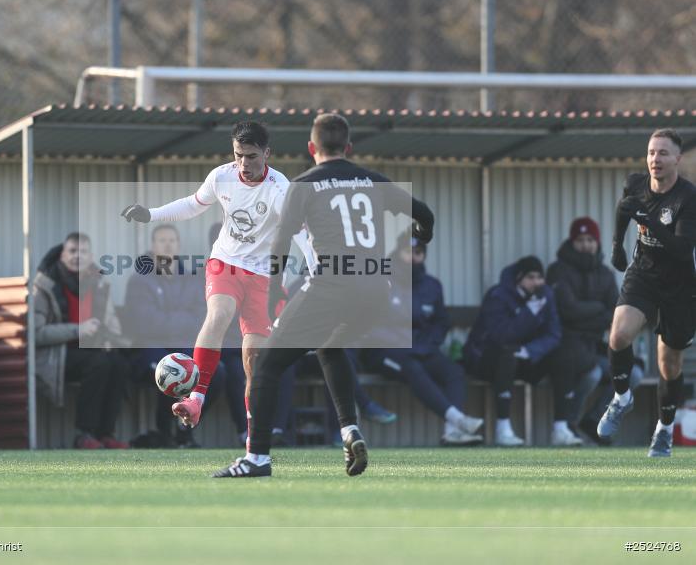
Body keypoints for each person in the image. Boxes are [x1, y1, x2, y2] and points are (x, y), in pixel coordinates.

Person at [214, 113, 435, 477]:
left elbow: (281, 246)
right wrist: (420, 234)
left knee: (267, 365)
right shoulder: (372, 180)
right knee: (330, 347)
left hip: (332, 286)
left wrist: (273, 294)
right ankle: (350, 429)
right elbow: (424, 215)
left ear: (311, 148)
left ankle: (256, 459)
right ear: (348, 148)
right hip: (375, 290)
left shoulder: (303, 185)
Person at [121, 121, 315, 444]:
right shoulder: (221, 176)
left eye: (252, 156)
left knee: (253, 359)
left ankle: (255, 437)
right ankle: (195, 399)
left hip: (263, 276)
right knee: (219, 314)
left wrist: (317, 272)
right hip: (224, 262)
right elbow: (192, 205)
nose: (244, 164)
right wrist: (150, 214)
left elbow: (302, 237)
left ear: (267, 153)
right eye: (239, 155)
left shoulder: (281, 190)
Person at [599, 128, 696, 457]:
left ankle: (664, 430)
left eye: (663, 153)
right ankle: (621, 397)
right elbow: (625, 206)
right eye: (652, 152)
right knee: (619, 333)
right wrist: (616, 246)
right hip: (643, 274)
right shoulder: (636, 183)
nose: (656, 159)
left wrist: (650, 222)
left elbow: (683, 249)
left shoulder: (687, 197)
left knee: (669, 364)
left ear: (677, 160)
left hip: (680, 285)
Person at [360, 231, 483, 446]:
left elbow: (441, 323)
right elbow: (369, 323)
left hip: (420, 349)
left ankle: (452, 431)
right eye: (408, 251)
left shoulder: (432, 286)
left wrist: (427, 344)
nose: (413, 257)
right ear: (397, 252)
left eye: (418, 252)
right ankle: (458, 419)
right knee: (412, 368)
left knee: (453, 371)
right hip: (382, 352)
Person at [124, 224, 236, 447]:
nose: (168, 244)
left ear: (178, 245)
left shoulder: (192, 278)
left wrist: (167, 319)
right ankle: (165, 433)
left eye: (172, 240)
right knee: (169, 373)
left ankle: (184, 430)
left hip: (185, 344)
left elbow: (201, 318)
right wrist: (179, 319)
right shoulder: (140, 279)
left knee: (216, 372)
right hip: (149, 347)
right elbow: (145, 323)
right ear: (153, 246)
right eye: (162, 240)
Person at [463, 255, 582, 447]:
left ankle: (561, 428)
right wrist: (529, 312)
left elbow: (554, 333)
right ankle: (503, 429)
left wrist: (529, 350)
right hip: (486, 359)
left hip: (525, 357)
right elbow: (501, 336)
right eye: (531, 277)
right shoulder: (498, 295)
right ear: (519, 278)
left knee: (564, 355)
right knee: (507, 354)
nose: (536, 282)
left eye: (539, 277)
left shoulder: (545, 295)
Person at [33, 232, 128, 449]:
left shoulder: (99, 282)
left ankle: (105, 434)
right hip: (55, 355)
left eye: (83, 251)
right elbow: (36, 334)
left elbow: (112, 324)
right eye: (72, 251)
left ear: (91, 255)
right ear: (62, 255)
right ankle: (84, 434)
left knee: (118, 363)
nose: (78, 256)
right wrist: (77, 331)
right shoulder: (44, 284)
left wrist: (110, 340)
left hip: (91, 351)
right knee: (100, 364)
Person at [546, 217, 628, 444]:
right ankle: (568, 424)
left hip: (594, 345)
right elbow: (567, 311)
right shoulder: (557, 270)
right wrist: (599, 311)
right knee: (592, 373)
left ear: (597, 242)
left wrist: (594, 314)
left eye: (590, 239)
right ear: (572, 242)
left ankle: (593, 421)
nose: (585, 244)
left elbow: (614, 313)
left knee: (630, 373)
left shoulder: (605, 274)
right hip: (566, 347)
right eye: (580, 239)